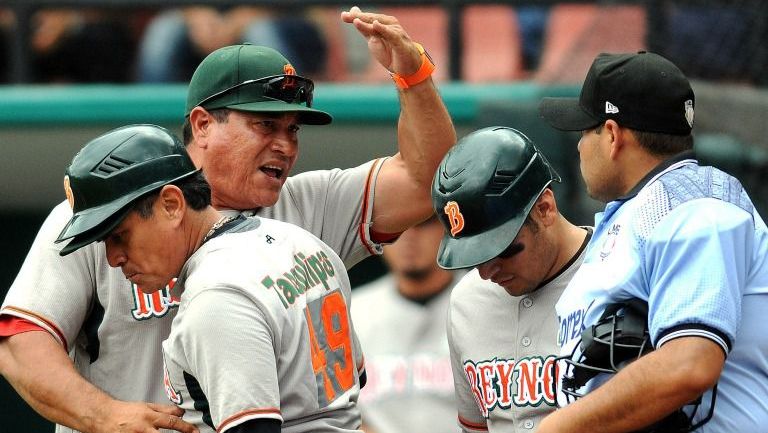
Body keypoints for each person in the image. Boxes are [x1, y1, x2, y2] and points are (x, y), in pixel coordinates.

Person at [0, 7, 455, 433]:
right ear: (201, 125)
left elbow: (431, 179)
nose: (286, 145)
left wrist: (415, 77)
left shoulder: (310, 206)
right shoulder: (110, 215)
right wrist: (105, 415)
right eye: (264, 125)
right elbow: (20, 343)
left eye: (292, 128)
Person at [56, 124, 365, 432]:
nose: (113, 258)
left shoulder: (215, 296)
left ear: (172, 205)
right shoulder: (302, 243)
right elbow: (356, 381)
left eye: (120, 236)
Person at [537, 51, 768, 432]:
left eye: (584, 130)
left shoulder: (696, 208)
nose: (579, 146)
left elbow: (689, 365)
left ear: (611, 135)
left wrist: (556, 429)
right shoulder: (637, 211)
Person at [431, 126, 592, 432]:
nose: (486, 272)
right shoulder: (467, 300)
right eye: (475, 257)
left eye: (501, 250)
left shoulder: (617, 274)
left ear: (545, 209)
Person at [351, 215, 464, 433]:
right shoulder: (350, 311)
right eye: (397, 226)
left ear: (450, 227)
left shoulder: (485, 302)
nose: (408, 236)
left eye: (422, 224)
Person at [137, 6, 327, 82]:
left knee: (260, 31)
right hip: (195, 15)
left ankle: (289, 100)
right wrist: (193, 12)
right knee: (163, 29)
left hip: (268, 16)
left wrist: (247, 15)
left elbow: (309, 11)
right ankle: (149, 119)